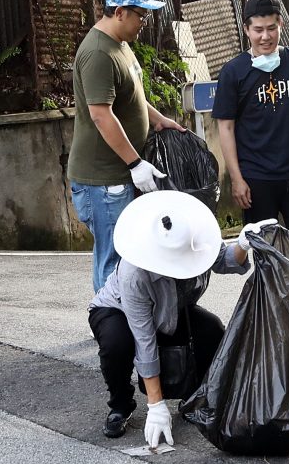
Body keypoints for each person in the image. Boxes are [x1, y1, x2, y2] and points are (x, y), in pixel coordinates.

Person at [86, 190, 266, 447]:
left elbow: (226, 260)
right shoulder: (134, 273)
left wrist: (243, 244)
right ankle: (120, 404)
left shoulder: (196, 239)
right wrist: (156, 405)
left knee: (211, 330)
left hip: (169, 309)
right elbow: (144, 339)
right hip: (118, 311)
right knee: (118, 343)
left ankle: (195, 397)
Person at [67, 0, 186, 292]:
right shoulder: (97, 53)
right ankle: (111, 329)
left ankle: (126, 325)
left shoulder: (120, 45)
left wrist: (159, 120)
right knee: (114, 258)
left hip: (119, 174)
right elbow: (100, 114)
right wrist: (135, 164)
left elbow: (131, 96)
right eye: (141, 16)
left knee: (130, 253)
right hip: (103, 179)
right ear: (119, 12)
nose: (144, 24)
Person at [211, 0, 289, 255]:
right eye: (258, 30)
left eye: (271, 29)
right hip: (257, 179)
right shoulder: (233, 72)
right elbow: (226, 127)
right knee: (266, 253)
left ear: (280, 25)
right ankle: (272, 297)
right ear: (246, 30)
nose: (265, 37)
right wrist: (237, 179)